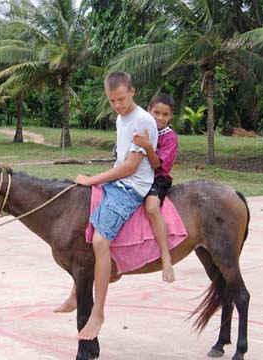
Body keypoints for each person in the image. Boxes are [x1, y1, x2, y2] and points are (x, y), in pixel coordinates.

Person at [71, 71, 158, 341]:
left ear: (132, 91)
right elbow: (120, 160)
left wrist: (93, 179)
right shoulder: (122, 119)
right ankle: (76, 294)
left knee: (99, 241)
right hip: (118, 182)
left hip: (132, 187)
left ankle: (98, 312)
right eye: (112, 101)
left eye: (121, 99)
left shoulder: (143, 121)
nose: (117, 105)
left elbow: (131, 167)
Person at [132, 93, 178, 283]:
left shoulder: (169, 137)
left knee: (151, 207)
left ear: (170, 116)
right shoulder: (142, 129)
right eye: (156, 113)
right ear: (148, 111)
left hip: (157, 178)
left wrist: (148, 147)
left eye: (165, 114)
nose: (160, 118)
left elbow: (158, 165)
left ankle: (166, 257)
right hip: (137, 174)